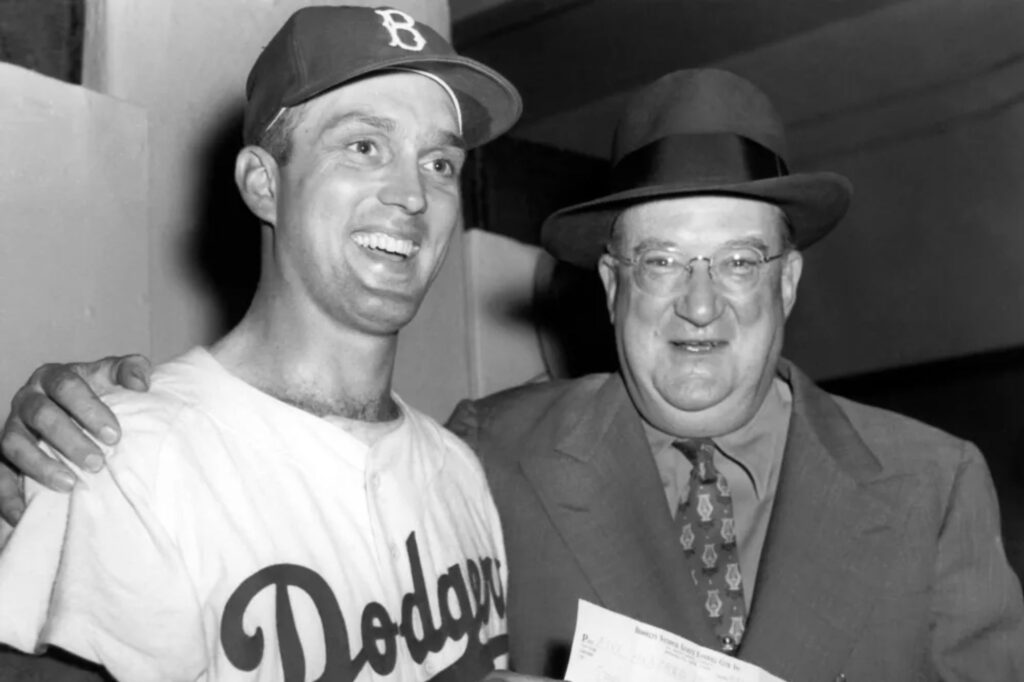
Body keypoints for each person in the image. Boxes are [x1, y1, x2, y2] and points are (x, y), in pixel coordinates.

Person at [3, 67, 1023, 681]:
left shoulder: (933, 487)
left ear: (789, 280)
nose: (699, 305)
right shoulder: (483, 454)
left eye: (738, 262)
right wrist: (82, 448)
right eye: (662, 262)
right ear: (611, 284)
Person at [0, 5, 529, 681]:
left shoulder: (459, 472)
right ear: (263, 183)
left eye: (440, 162)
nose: (413, 195)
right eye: (364, 146)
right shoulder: (123, 459)